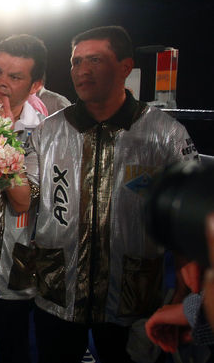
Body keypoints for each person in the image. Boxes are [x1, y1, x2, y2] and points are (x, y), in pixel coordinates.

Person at [29, 25, 199, 363]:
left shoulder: (166, 134)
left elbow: (187, 219)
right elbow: (24, 193)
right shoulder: (48, 131)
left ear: (125, 67)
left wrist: (184, 291)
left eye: (95, 60)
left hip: (133, 293)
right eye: (76, 62)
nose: (82, 70)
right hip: (58, 287)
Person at [0, 34, 46, 363]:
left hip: (14, 265)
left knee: (13, 347)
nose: (0, 81)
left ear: (35, 86)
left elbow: (23, 200)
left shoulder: (43, 131)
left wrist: (1, 136)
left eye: (14, 76)